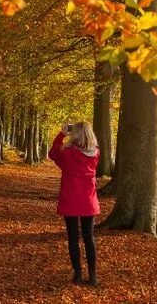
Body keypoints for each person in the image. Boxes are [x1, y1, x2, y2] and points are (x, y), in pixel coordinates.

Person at [48, 121, 100, 286]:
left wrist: (62, 134)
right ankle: (93, 276)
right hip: (88, 200)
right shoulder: (96, 153)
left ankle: (77, 275)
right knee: (89, 237)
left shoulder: (68, 152)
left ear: (75, 134)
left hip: (71, 198)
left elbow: (53, 154)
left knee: (73, 237)